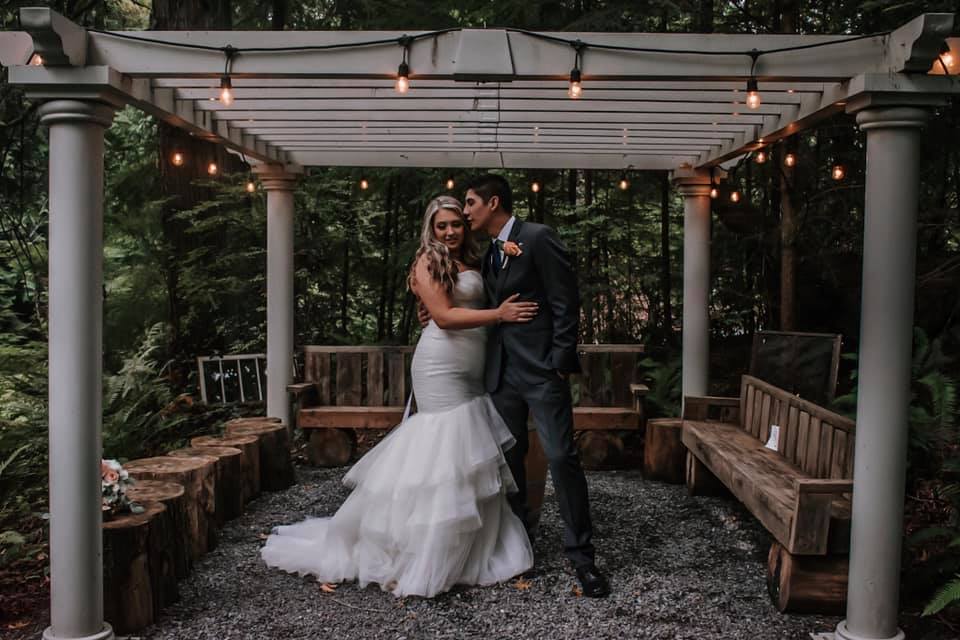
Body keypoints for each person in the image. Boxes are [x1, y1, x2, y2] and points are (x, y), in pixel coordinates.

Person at [260, 195, 537, 598]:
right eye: (441, 225)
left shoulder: (474, 261)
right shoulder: (427, 261)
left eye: (455, 224)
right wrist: (499, 315)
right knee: (442, 444)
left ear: (464, 227)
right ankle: (424, 549)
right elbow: (443, 316)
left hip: (474, 366)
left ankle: (472, 545)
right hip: (440, 363)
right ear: (431, 229)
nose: (450, 232)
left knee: (466, 449)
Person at [462, 173, 609, 598]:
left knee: (561, 457)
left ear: (493, 203)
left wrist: (559, 363)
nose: (466, 211)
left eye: (470, 203)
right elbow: (488, 307)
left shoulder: (538, 237)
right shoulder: (489, 253)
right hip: (501, 374)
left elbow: (566, 300)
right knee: (509, 460)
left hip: (542, 371)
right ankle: (519, 546)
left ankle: (582, 557)